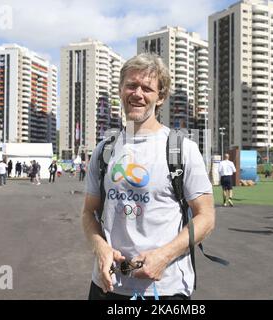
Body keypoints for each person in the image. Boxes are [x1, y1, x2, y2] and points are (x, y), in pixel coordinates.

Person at [82, 53, 214, 300]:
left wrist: (163, 256)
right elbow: (88, 212)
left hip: (164, 288)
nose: (137, 94)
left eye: (147, 88)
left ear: (160, 97)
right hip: (107, 286)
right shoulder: (104, 150)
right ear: (121, 89)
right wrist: (99, 246)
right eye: (131, 85)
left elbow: (206, 216)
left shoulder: (182, 148)